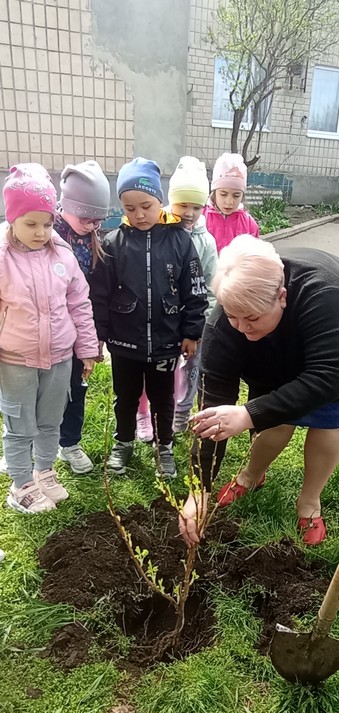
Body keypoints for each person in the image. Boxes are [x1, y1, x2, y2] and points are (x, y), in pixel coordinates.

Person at [179, 234, 339, 547]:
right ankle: (250, 475)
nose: (241, 328)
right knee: (271, 416)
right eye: (232, 316)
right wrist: (198, 490)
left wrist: (246, 414)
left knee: (330, 418)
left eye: (252, 318)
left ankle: (309, 501)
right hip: (273, 348)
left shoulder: (322, 293)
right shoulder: (223, 328)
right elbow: (211, 412)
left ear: (282, 296)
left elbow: (327, 377)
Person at [89, 157, 208, 479]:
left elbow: (195, 290)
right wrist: (99, 335)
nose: (139, 214)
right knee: (125, 396)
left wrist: (192, 332)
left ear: (160, 201)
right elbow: (99, 295)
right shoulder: (113, 243)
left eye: (146, 206)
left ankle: (164, 446)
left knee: (163, 397)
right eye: (130, 208)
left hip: (167, 340)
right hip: (124, 341)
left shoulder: (181, 240)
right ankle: (123, 442)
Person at [0, 163, 98, 513]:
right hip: (16, 360)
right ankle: (21, 484)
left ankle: (44, 472)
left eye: (47, 223)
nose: (41, 232)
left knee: (50, 421)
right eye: (31, 224)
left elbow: (79, 304)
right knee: (19, 425)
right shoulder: (2, 258)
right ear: (12, 218)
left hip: (59, 357)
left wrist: (87, 349)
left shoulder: (63, 256)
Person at [54, 160, 110, 474]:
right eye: (86, 218)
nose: (91, 226)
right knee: (39, 392)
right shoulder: (45, 235)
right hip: (46, 332)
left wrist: (94, 337)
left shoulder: (93, 242)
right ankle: (27, 443)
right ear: (66, 206)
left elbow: (96, 296)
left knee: (76, 388)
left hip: (80, 330)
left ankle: (70, 443)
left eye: (98, 220)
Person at [168, 156, 218, 433]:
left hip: (193, 320)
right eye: (182, 204)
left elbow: (211, 284)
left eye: (196, 207)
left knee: (190, 369)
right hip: (164, 320)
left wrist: (201, 326)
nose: (189, 212)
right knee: (163, 370)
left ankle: (181, 413)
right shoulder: (159, 232)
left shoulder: (206, 241)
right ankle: (158, 411)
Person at [204, 153, 259, 253]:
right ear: (214, 192)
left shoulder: (249, 224)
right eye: (223, 194)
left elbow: (254, 257)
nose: (229, 202)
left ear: (242, 195)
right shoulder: (201, 218)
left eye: (236, 196)